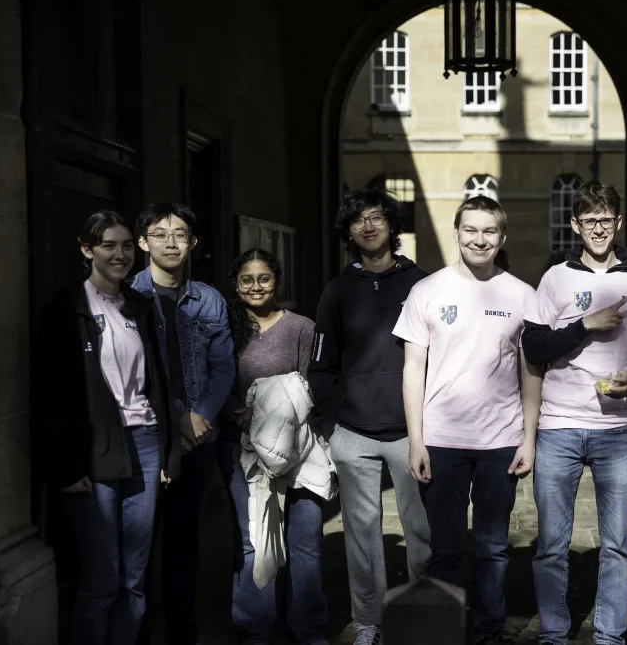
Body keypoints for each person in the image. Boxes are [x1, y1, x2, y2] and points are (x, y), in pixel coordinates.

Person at [393, 195, 541, 644]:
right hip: (442, 440)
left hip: (500, 440)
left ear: (502, 237)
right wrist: (416, 441)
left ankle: (488, 632)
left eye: (489, 231)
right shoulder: (427, 291)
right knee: (447, 548)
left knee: (494, 549)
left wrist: (528, 439)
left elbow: (531, 372)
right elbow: (412, 370)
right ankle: (445, 632)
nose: (480, 239)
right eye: (471, 230)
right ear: (456, 233)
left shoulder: (521, 295)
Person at [521, 180, 627, 645]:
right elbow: (534, 345)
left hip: (618, 429)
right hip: (558, 427)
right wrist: (586, 325)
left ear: (618, 222)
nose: (599, 229)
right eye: (590, 221)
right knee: (551, 547)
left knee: (618, 546)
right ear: (575, 225)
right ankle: (554, 634)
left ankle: (609, 636)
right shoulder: (556, 278)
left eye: (607, 219)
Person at [36, 211, 179, 645]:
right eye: (107, 246)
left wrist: (168, 451)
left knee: (135, 579)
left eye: (123, 245)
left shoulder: (139, 305)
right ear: (86, 250)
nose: (118, 254)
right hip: (94, 450)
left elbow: (158, 380)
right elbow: (50, 395)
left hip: (145, 443)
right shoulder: (66, 310)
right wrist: (65, 465)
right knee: (101, 579)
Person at [308, 189, 430, 645]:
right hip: (353, 433)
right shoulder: (338, 290)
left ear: (392, 226)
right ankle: (369, 621)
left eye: (377, 217)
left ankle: (421, 613)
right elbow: (322, 363)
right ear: (349, 232)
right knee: (361, 535)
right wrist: (330, 424)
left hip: (410, 433)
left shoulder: (421, 284)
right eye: (359, 220)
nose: (369, 226)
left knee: (421, 531)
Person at [130, 202, 235, 645]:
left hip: (198, 436)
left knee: (184, 543)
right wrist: (177, 417)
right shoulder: (127, 296)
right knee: (138, 546)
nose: (171, 242)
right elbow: (134, 370)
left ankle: (182, 634)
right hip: (144, 436)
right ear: (142, 243)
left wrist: (200, 416)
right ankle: (135, 634)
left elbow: (223, 366)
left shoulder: (209, 298)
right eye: (160, 234)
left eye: (180, 234)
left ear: (192, 242)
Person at [217, 248, 330, 644]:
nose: (255, 286)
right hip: (242, 448)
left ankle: (308, 629)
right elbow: (217, 378)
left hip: (298, 448)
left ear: (277, 281)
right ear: (235, 283)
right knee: (254, 541)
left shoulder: (302, 326)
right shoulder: (225, 327)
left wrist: (279, 416)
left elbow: (309, 383)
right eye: (246, 279)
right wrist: (238, 413)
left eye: (264, 278)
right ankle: (257, 630)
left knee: (307, 543)